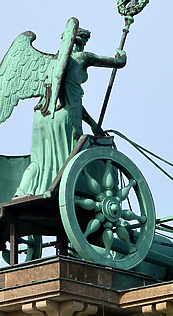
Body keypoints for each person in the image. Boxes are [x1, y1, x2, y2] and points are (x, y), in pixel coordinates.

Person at [15, 28, 126, 196]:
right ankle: (65, 190)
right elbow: (118, 62)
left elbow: (73, 101)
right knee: (70, 154)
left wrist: (93, 123)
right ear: (78, 42)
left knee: (38, 159)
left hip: (42, 115)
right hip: (65, 115)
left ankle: (21, 192)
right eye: (81, 42)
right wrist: (121, 54)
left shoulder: (48, 63)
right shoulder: (82, 57)